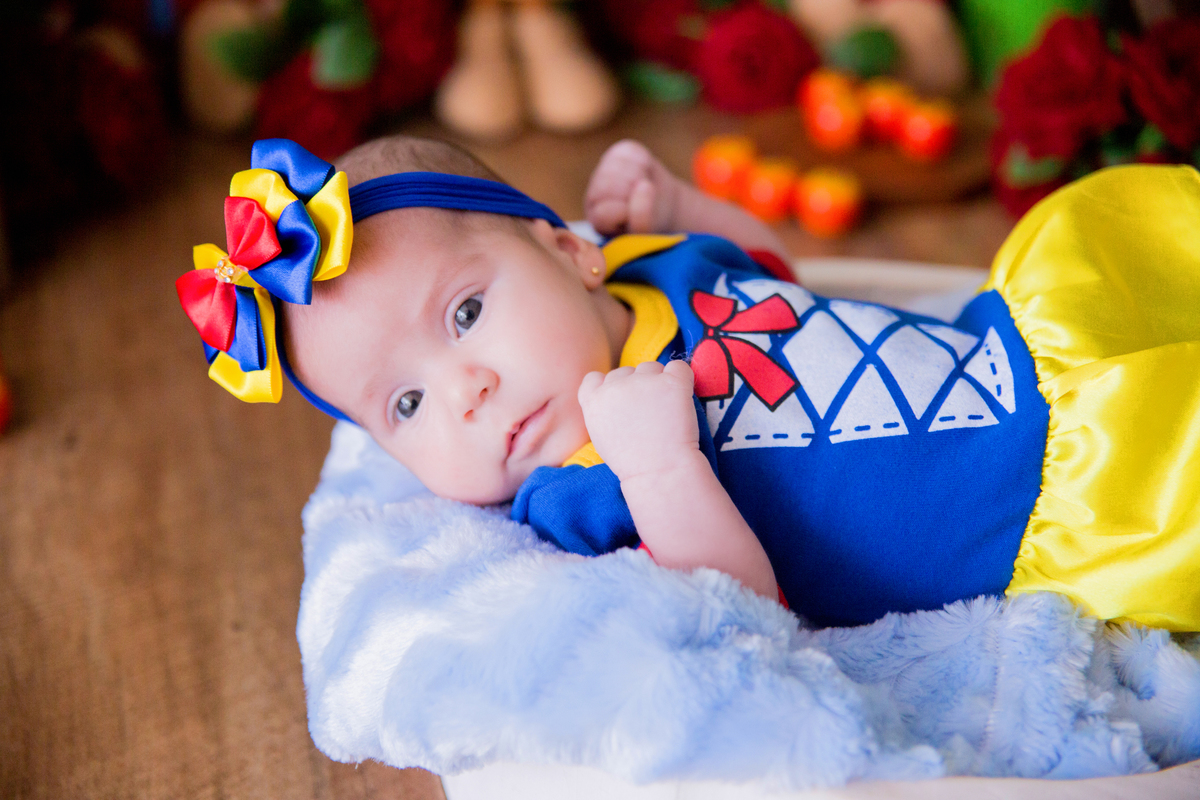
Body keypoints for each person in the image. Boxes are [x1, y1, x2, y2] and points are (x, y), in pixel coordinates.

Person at [177, 135, 1200, 630]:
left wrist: (688, 202)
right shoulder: (582, 484)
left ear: (567, 249)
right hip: (1039, 500)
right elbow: (745, 614)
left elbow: (775, 284)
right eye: (405, 405)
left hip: (1003, 346)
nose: (468, 389)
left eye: (465, 313)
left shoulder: (643, 267)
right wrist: (663, 467)